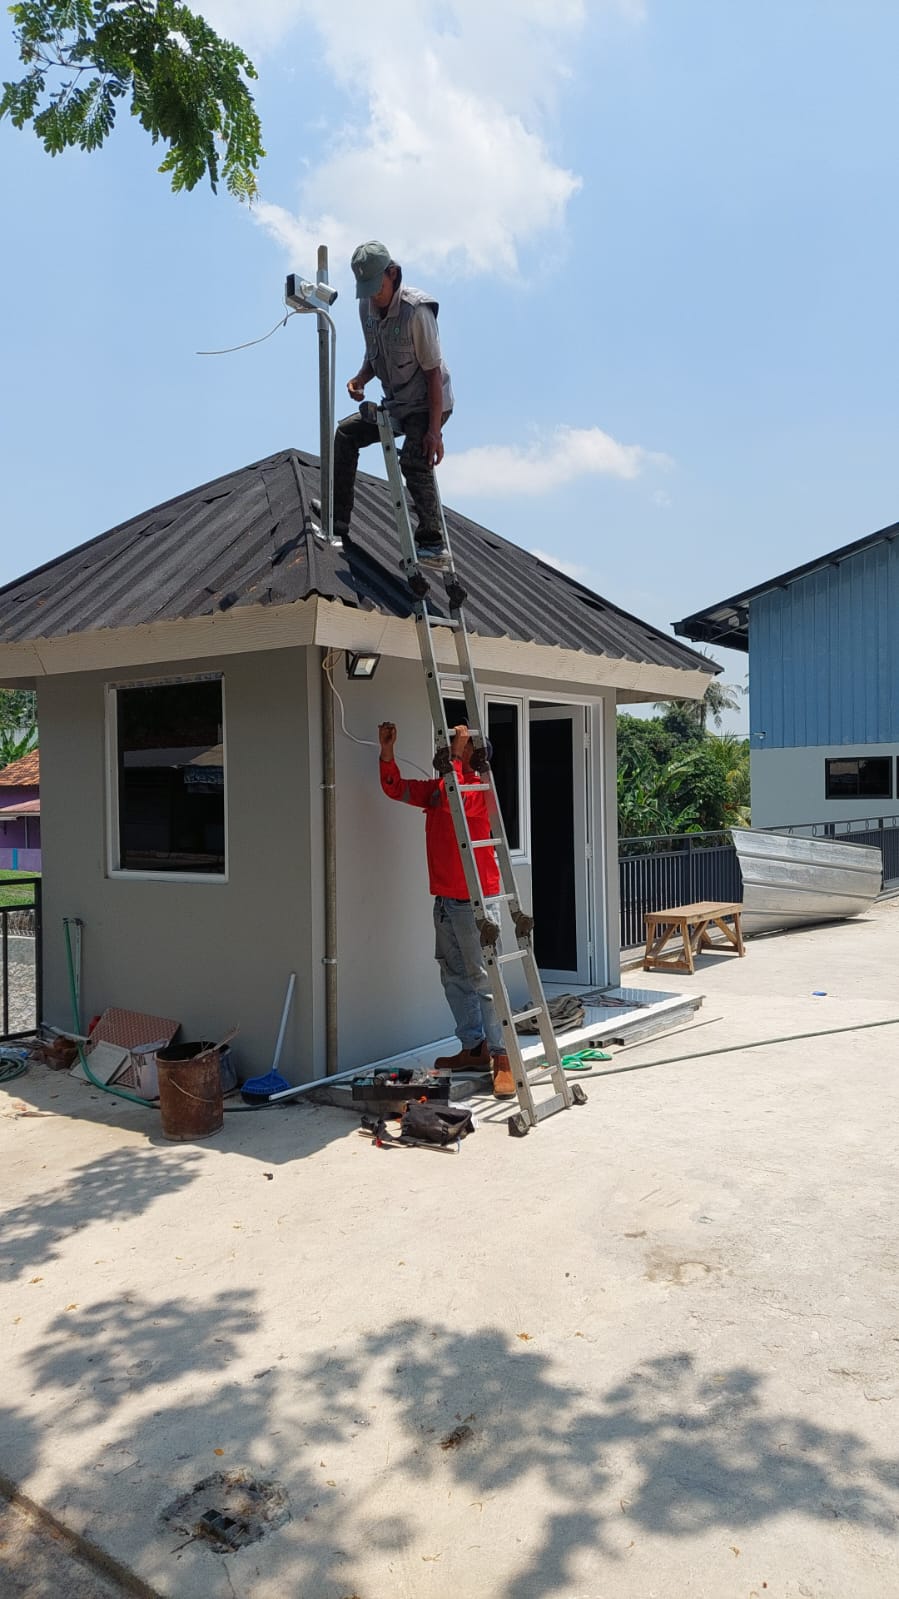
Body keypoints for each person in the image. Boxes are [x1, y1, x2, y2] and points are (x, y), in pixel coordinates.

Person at [377, 720, 515, 1099]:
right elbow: (398, 790)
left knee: (485, 980)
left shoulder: (479, 789)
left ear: (475, 753)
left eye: (461, 745)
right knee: (453, 974)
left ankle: (503, 1057)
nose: (451, 748)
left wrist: (455, 756)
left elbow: (462, 802)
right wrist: (387, 754)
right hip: (445, 899)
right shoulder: (441, 788)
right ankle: (474, 1047)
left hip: (476, 899)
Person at [333, 240, 454, 559]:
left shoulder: (417, 312)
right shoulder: (366, 307)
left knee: (415, 457)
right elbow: (376, 355)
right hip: (397, 402)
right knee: (346, 434)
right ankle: (338, 520)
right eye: (368, 289)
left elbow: (432, 376)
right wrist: (360, 379)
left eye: (379, 287)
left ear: (394, 274)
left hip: (429, 402)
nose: (375, 296)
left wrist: (434, 432)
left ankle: (431, 539)